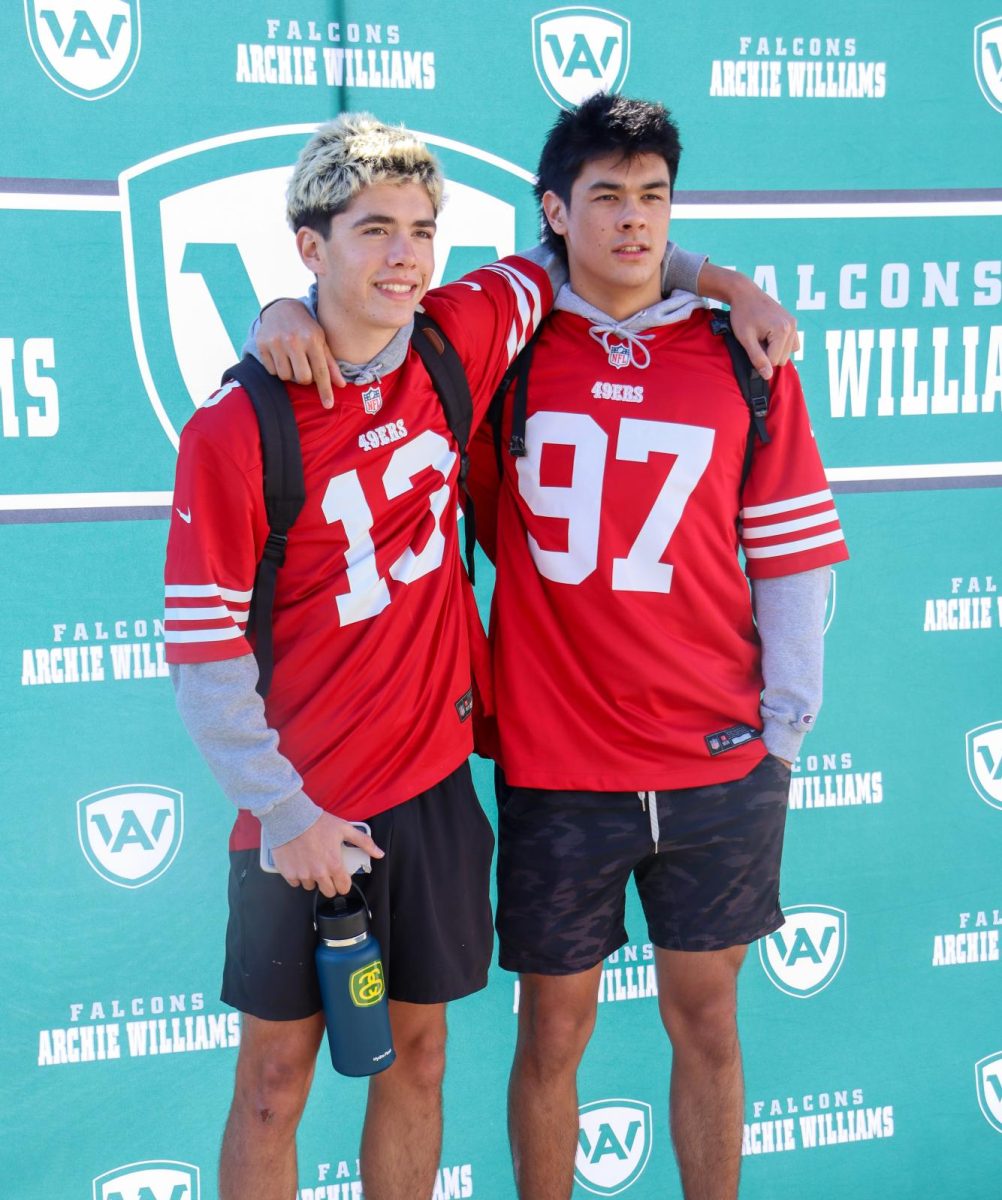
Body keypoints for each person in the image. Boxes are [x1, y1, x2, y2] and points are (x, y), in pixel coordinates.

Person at [192, 115, 795, 1200]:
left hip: (430, 785)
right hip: (302, 800)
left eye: (422, 231)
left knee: (418, 1061)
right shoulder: (238, 423)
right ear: (309, 244)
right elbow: (201, 649)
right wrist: (282, 810)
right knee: (275, 1084)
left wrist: (730, 283)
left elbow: (607, 238)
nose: (404, 255)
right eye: (373, 230)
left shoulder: (465, 326)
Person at [464, 94, 849, 1200]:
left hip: (718, 756)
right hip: (560, 760)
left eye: (653, 199)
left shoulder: (745, 355)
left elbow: (787, 551)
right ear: (556, 208)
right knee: (552, 1036)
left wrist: (785, 728)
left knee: (711, 1023)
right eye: (606, 198)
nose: (633, 223)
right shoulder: (508, 352)